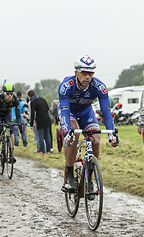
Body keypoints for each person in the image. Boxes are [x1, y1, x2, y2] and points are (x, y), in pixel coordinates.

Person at [58, 55, 118, 192]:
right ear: (76, 73)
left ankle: (89, 179)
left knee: (96, 139)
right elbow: (65, 111)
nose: (87, 77)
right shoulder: (66, 86)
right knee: (74, 135)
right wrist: (67, 133)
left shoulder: (100, 87)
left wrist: (111, 134)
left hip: (86, 113)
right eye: (84, 73)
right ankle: (69, 175)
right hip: (69, 113)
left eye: (90, 73)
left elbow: (106, 112)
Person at [0, 84, 22, 162]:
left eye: (11, 94)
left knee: (10, 129)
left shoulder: (15, 100)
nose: (10, 96)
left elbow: (18, 116)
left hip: (7, 113)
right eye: (7, 94)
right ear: (4, 94)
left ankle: (11, 153)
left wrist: (20, 124)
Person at [27, 89, 51, 154]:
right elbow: (48, 109)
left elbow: (32, 113)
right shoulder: (42, 99)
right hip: (47, 119)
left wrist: (31, 123)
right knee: (47, 135)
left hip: (40, 120)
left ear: (29, 96)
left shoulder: (33, 102)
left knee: (40, 136)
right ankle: (48, 150)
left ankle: (42, 151)